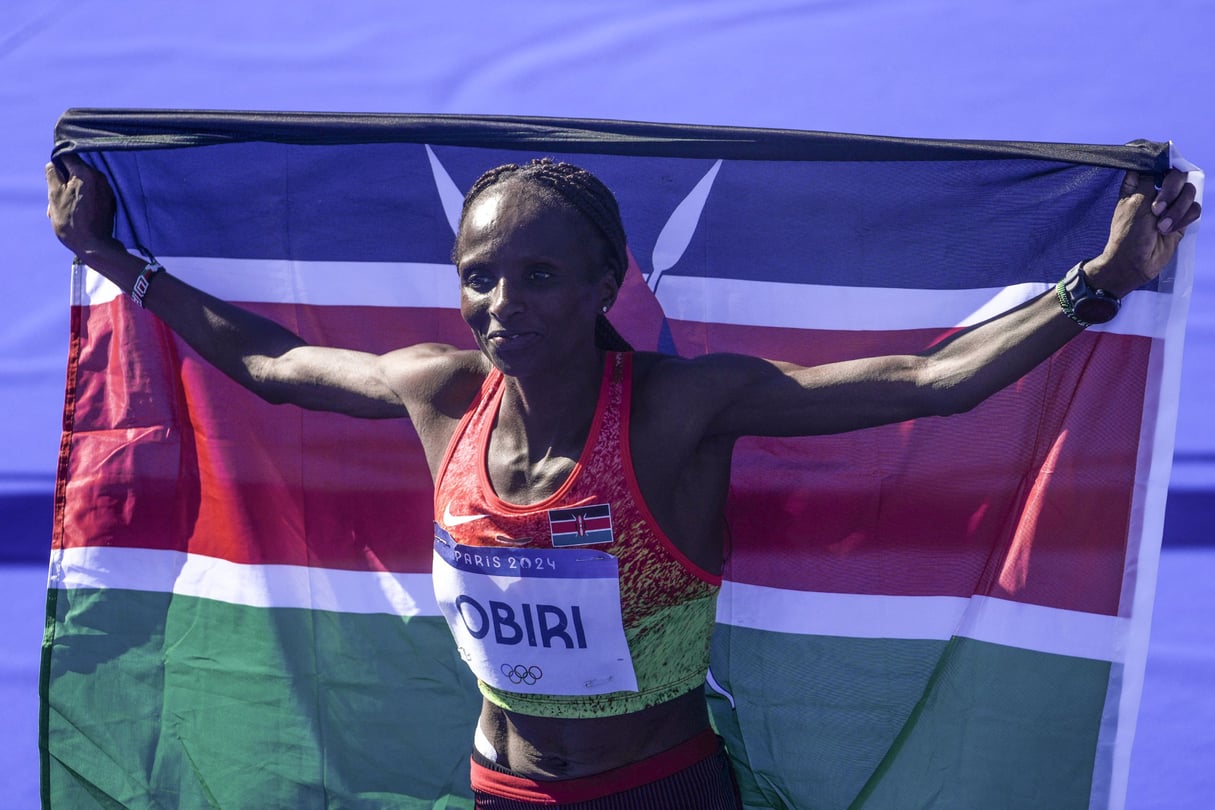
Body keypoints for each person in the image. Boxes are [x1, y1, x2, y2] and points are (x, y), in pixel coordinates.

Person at [47, 152, 1199, 809]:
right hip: (502, 788)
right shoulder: (437, 391)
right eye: (481, 277)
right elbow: (272, 365)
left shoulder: (676, 408)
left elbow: (929, 383)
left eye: (539, 276)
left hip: (659, 795)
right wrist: (109, 255)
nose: (503, 306)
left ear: (606, 281)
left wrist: (1100, 283)